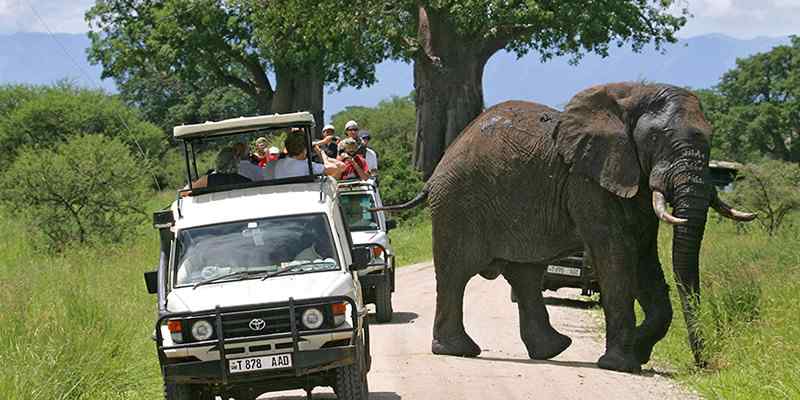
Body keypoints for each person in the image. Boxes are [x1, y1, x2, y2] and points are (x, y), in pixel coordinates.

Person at [273, 130, 343, 179]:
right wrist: (322, 154)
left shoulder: (277, 164)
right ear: (305, 149)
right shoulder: (307, 166)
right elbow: (335, 168)